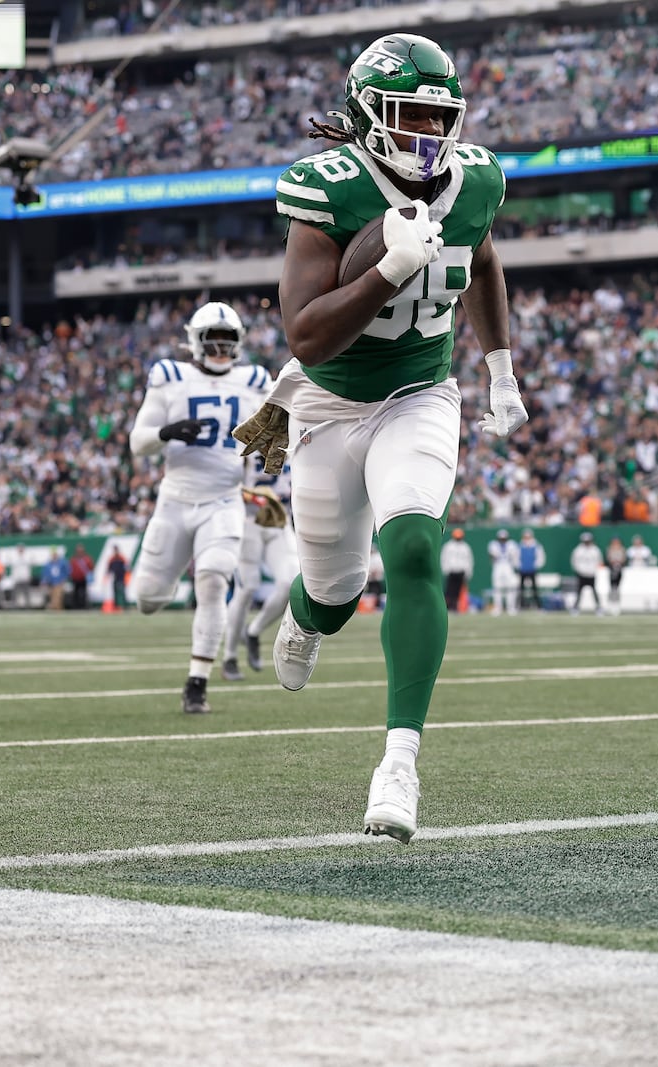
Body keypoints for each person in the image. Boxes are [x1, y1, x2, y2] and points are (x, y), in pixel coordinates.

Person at [229, 33, 524, 843]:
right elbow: (307, 337)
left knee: (417, 550)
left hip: (421, 393)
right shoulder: (326, 187)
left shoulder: (477, 180)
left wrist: (499, 368)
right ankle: (303, 616)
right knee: (336, 593)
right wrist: (386, 270)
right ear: (367, 115)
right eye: (410, 115)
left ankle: (399, 763)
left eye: (440, 116)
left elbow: (485, 259)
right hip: (328, 404)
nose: (428, 135)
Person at [130, 300, 274, 714]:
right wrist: (167, 431)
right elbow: (138, 443)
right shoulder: (170, 378)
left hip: (224, 501)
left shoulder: (254, 381)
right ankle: (166, 588)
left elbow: (275, 436)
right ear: (196, 341)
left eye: (228, 342)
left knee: (213, 581)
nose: (220, 350)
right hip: (175, 500)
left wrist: (268, 453)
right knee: (147, 599)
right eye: (213, 341)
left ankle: (197, 682)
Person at [222, 459, 298, 679]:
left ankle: (253, 632)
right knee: (246, 588)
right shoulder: (245, 432)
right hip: (249, 521)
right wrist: (255, 496)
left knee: (290, 583)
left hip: (280, 521)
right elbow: (227, 482)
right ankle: (229, 658)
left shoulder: (298, 430)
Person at [439, 527, 474, 613]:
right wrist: (445, 569)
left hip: (461, 571)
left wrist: (468, 572)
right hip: (451, 570)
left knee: (458, 590)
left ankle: (455, 607)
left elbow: (469, 560)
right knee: (449, 590)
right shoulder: (448, 546)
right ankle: (448, 607)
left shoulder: (465, 547)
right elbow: (444, 558)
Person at [570, 531, 604, 615]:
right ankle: (575, 608)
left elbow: (599, 561)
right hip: (581, 574)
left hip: (591, 574)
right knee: (579, 592)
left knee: (594, 591)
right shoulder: (578, 550)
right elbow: (574, 561)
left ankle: (598, 607)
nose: (587, 543)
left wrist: (594, 570)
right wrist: (579, 570)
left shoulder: (595, 550)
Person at [489, 528, 520, 615]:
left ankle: (511, 607)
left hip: (508, 565)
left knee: (511, 587)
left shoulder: (512, 544)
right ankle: (497, 608)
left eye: (504, 538)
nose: (502, 540)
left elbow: (515, 555)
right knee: (497, 587)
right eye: (501, 538)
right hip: (498, 566)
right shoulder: (493, 544)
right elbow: (493, 555)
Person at [516, 528, 545, 610]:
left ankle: (539, 606)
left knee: (535, 589)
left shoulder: (536, 546)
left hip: (532, 570)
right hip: (523, 571)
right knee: (521, 589)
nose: (527, 538)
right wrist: (519, 566)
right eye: (525, 537)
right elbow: (516, 558)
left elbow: (540, 557)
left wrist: (535, 566)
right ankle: (520, 605)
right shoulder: (520, 546)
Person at [605, 536, 627, 615]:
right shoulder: (610, 549)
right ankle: (610, 605)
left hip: (619, 569)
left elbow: (623, 559)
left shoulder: (622, 549)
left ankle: (617, 606)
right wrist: (613, 563)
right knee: (612, 588)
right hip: (612, 570)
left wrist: (619, 563)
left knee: (617, 589)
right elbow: (609, 559)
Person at [69, 545, 94, 610]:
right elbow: (70, 569)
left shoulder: (87, 559)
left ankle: (84, 606)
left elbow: (91, 567)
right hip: (75, 579)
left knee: (84, 593)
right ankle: (75, 607)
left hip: (83, 579)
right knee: (75, 593)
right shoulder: (73, 559)